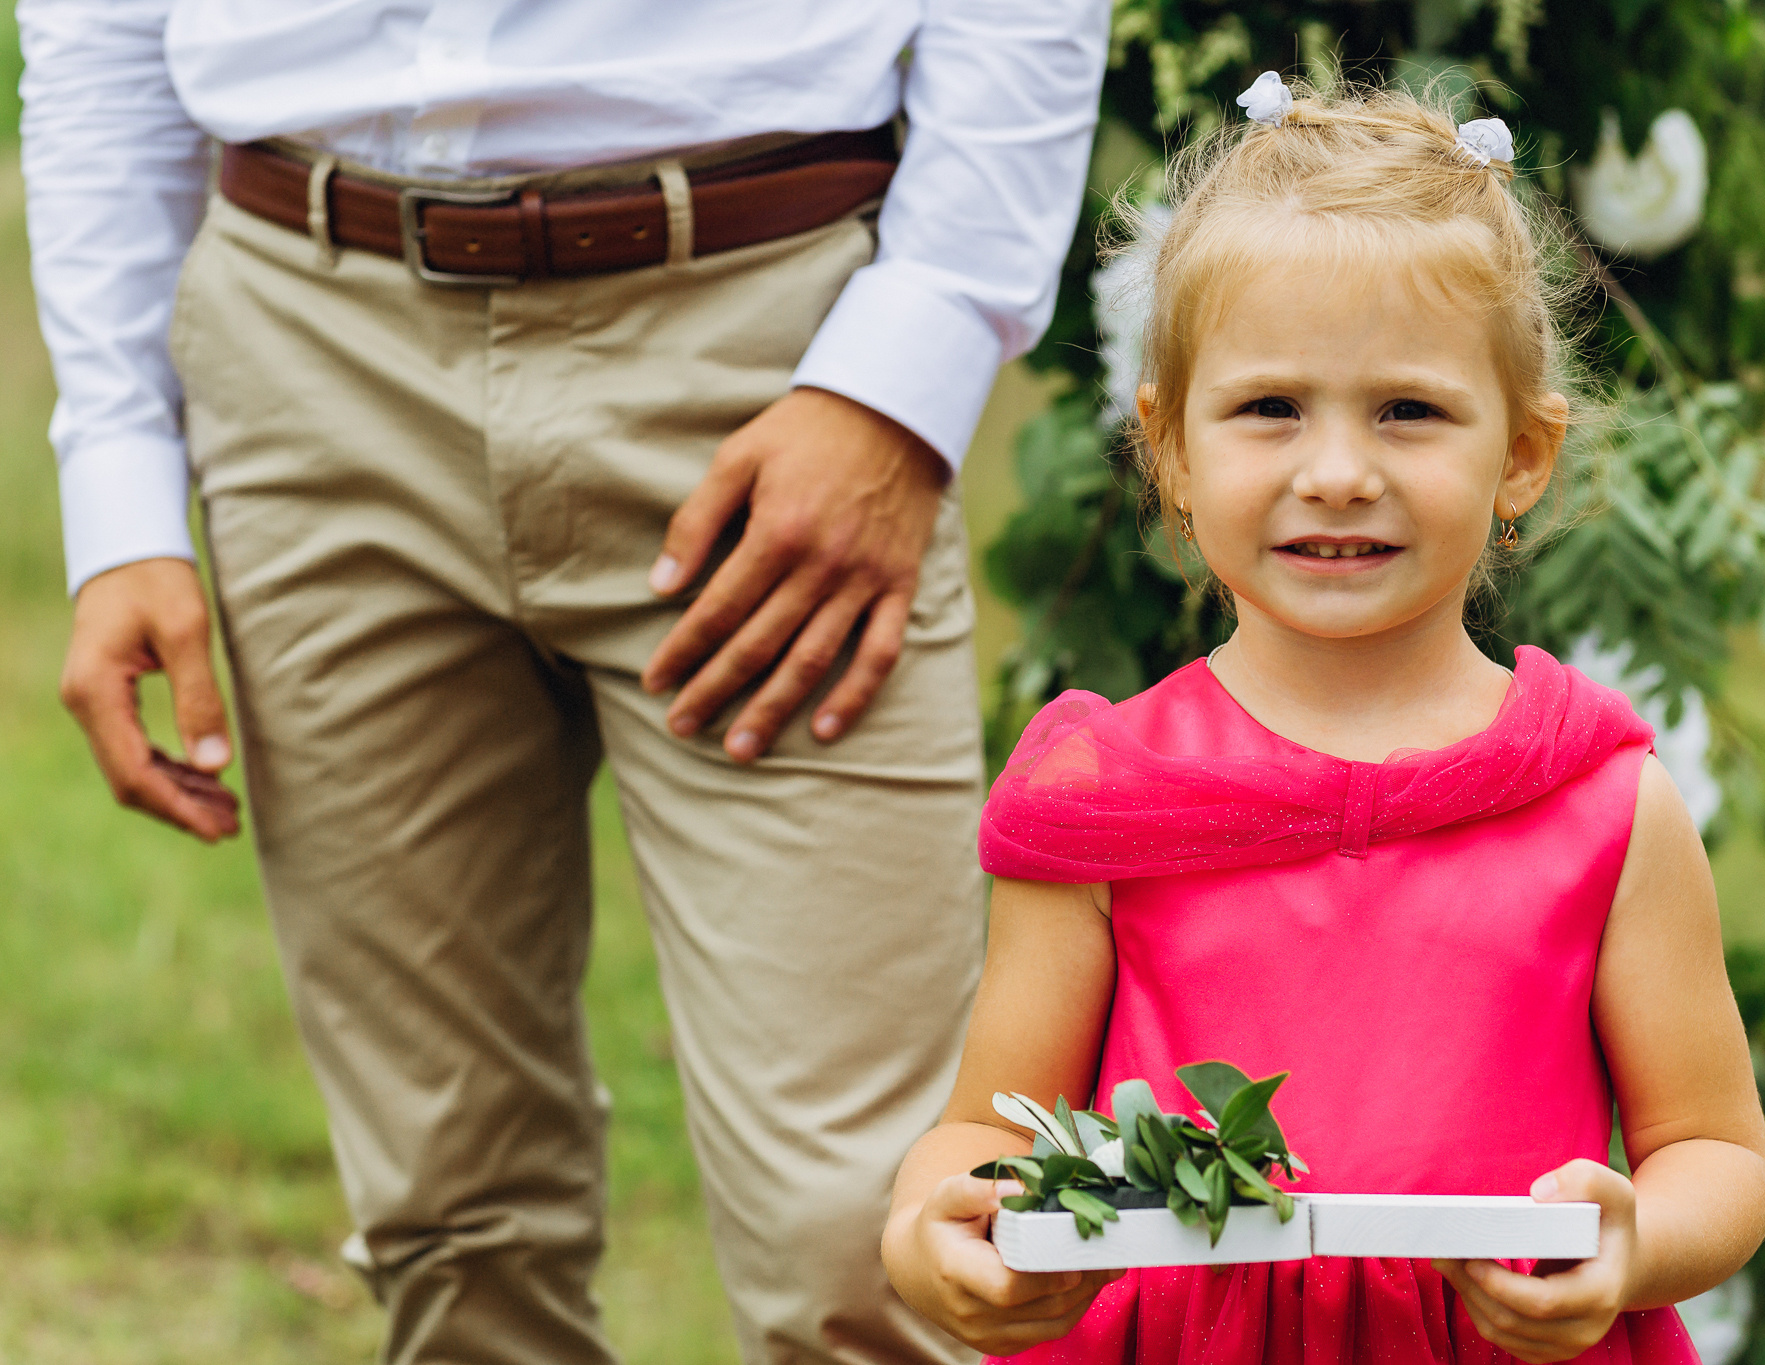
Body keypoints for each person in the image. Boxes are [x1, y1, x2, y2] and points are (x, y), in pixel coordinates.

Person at [18, 4, 1107, 1363]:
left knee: (874, 1244)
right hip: (308, 340)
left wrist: (910, 368)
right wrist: (119, 482)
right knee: (451, 1223)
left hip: (764, 337)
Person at [880, 80, 1765, 1361]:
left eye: (1407, 410)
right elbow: (990, 1124)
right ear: (1170, 450)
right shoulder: (1102, 792)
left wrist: (1632, 1244)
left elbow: (1714, 1152)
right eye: (1267, 408)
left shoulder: (1599, 800)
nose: (1339, 471)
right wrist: (934, 1224)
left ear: (1521, 452)